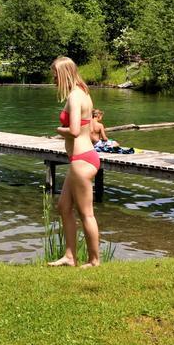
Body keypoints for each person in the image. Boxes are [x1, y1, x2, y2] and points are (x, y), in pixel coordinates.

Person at [48, 56, 101, 268]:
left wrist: (58, 130)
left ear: (63, 74)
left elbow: (75, 131)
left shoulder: (74, 97)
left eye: (55, 75)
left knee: (86, 213)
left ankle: (94, 260)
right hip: (83, 158)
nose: (53, 80)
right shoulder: (84, 93)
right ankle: (70, 257)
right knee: (63, 206)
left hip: (81, 159)